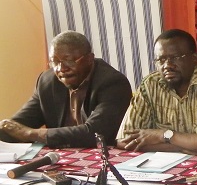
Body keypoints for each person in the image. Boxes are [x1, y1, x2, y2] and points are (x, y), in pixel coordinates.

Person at [117, 29, 197, 156]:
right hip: (165, 163)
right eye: (161, 60)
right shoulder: (150, 85)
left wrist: (164, 135)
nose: (167, 65)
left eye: (175, 58)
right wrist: (178, 149)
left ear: (194, 58)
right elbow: (123, 140)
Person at [0, 31, 132, 148]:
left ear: (89, 59)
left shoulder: (113, 83)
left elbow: (96, 133)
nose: (61, 68)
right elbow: (19, 126)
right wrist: (6, 130)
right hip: (59, 158)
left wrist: (31, 134)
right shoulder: (47, 82)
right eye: (54, 62)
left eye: (69, 60)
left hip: (103, 158)